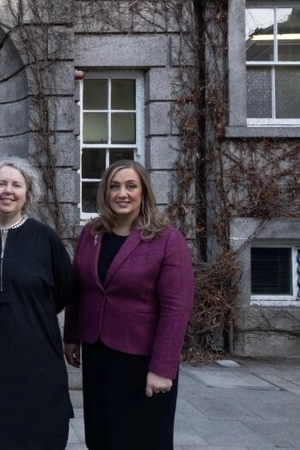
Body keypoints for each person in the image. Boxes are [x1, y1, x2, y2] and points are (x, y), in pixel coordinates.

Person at [63, 160, 194, 449]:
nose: (122, 193)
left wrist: (162, 368)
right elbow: (79, 289)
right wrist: (71, 337)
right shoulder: (91, 233)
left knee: (143, 439)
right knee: (102, 436)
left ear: (143, 192)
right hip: (98, 355)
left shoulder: (166, 240)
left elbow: (176, 308)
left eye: (131, 186)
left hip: (142, 360)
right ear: (105, 193)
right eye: (114, 186)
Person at [0, 157, 75, 449]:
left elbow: (65, 290)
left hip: (37, 353)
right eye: (1, 183)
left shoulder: (45, 238)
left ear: (28, 192)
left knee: (41, 432)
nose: (8, 190)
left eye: (17, 184)